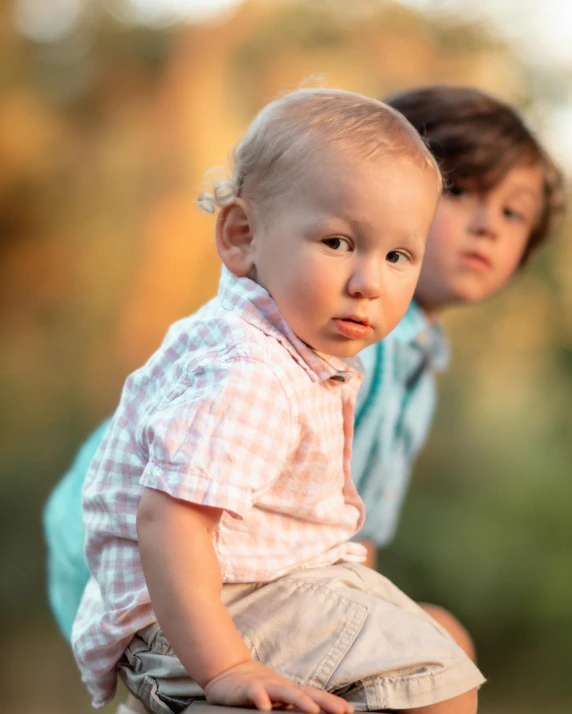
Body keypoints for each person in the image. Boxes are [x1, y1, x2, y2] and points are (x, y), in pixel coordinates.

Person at [70, 87, 483, 714]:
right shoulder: (250, 368)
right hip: (198, 615)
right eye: (339, 242)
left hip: (235, 595)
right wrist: (229, 666)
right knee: (440, 686)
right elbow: (170, 522)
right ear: (242, 235)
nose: (369, 282)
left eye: (398, 255)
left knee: (438, 639)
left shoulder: (280, 343)